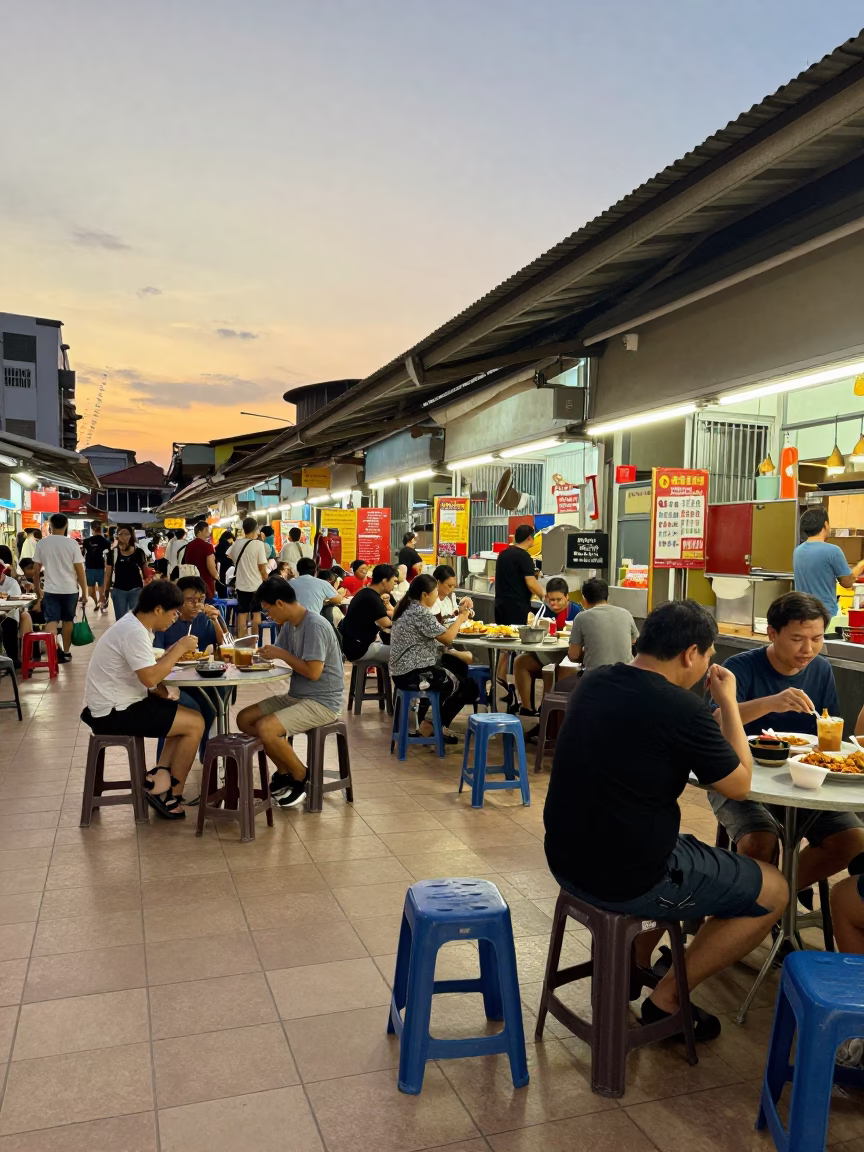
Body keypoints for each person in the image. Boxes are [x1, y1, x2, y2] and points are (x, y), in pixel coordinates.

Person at [544, 599, 788, 1041]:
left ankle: (630, 970)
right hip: (629, 877)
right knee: (775, 889)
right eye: (709, 655)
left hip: (566, 860)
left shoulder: (592, 682)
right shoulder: (682, 708)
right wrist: (728, 702)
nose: (708, 664)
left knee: (687, 844)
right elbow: (739, 785)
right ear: (691, 654)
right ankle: (668, 999)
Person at [708, 591, 864, 899]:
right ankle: (762, 906)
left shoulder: (820, 669)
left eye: (817, 638)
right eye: (797, 639)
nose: (808, 649)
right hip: (740, 777)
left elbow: (825, 728)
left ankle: (777, 900)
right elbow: (714, 719)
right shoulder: (740, 667)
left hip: (800, 779)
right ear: (772, 633)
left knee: (853, 841)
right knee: (759, 842)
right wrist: (770, 704)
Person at [81, 579, 205, 819]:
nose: (175, 618)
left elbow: (147, 674)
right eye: (173, 612)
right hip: (114, 712)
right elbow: (150, 679)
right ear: (158, 609)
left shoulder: (134, 625)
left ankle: (159, 779)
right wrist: (179, 648)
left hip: (116, 704)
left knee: (185, 717)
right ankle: (171, 796)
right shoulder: (133, 631)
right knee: (195, 724)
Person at [237, 577, 345, 809]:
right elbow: (280, 656)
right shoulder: (289, 625)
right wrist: (257, 656)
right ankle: (285, 771)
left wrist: (280, 654)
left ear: (280, 603)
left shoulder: (314, 625)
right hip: (298, 695)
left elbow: (313, 672)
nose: (268, 616)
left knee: (267, 727)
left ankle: (300, 775)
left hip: (323, 700)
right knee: (245, 719)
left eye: (267, 610)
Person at [388, 574, 478, 745]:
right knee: (468, 687)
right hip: (413, 674)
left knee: (456, 666)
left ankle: (429, 723)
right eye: (435, 591)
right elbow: (447, 638)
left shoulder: (407, 607)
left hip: (405, 669)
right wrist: (460, 618)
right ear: (425, 595)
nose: (437, 595)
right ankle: (431, 726)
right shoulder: (420, 612)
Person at [152, 575, 223, 765]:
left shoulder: (206, 619)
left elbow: (224, 646)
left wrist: (216, 621)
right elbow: (156, 654)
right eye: (190, 599)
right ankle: (164, 764)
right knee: (184, 712)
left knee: (212, 704)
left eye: (200, 599)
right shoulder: (166, 620)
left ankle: (207, 757)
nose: (195, 604)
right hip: (174, 683)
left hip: (203, 679)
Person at [512, 577, 582, 713]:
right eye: (551, 600)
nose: (554, 604)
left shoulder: (577, 612)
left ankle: (547, 712)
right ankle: (527, 708)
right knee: (520, 662)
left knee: (550, 671)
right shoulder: (543, 610)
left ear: (567, 597)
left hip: (567, 658)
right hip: (544, 654)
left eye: (559, 600)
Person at [493, 524, 545, 690]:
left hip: (500, 603)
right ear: (530, 538)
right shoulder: (524, 557)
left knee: (504, 642)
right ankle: (505, 680)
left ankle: (499, 679)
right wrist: (546, 595)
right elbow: (531, 583)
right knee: (514, 642)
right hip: (516, 605)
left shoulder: (503, 554)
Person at [793, 507, 864, 626]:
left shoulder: (798, 551)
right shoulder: (832, 551)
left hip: (801, 613)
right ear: (825, 525)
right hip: (824, 615)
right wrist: (861, 564)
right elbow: (847, 583)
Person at [31, 513, 87, 663]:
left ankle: (53, 651)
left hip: (50, 590)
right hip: (70, 590)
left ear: (50, 525)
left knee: (52, 621)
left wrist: (38, 592)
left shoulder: (42, 543)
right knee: (68, 620)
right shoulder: (72, 544)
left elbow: (36, 571)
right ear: (66, 525)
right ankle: (67, 652)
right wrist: (85, 593)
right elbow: (80, 572)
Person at [566, 576, 638, 672]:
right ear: (607, 597)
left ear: (584, 601)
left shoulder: (581, 617)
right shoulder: (626, 613)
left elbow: (573, 655)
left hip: (595, 678)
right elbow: (634, 641)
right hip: (627, 676)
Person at [340, 563, 398, 662]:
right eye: (394, 582)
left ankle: (385, 677)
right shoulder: (371, 597)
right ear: (384, 581)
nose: (395, 585)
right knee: (404, 654)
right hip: (359, 649)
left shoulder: (367, 593)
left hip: (354, 645)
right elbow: (386, 624)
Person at [227, 518, 269, 637]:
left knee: (242, 613)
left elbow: (231, 557)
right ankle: (255, 640)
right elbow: (262, 568)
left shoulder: (236, 543)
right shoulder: (258, 544)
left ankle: (242, 639)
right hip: (256, 585)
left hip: (241, 585)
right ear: (255, 529)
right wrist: (267, 580)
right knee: (256, 613)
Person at [104, 526, 147, 618]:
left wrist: (147, 590)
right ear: (117, 536)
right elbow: (108, 574)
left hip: (136, 590)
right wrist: (106, 592)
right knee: (120, 620)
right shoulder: (113, 553)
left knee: (135, 619)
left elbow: (146, 573)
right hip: (118, 590)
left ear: (131, 536)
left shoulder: (139, 552)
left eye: (127, 534)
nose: (124, 536)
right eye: (121, 534)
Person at [181, 521, 219, 600]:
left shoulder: (189, 545)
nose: (208, 531)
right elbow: (210, 566)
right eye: (205, 530)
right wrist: (216, 576)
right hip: (205, 583)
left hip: (191, 583)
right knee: (207, 608)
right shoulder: (207, 546)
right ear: (199, 532)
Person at [0, 555, 25, 666]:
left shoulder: (12, 583)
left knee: (8, 624)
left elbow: (13, 603)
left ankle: (13, 659)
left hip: (10, 615)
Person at [81, 521, 110, 612]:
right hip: (99, 567)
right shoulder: (106, 542)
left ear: (92, 529)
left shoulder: (87, 541)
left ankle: (97, 602)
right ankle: (100, 603)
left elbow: (82, 554)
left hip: (91, 567)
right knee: (101, 589)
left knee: (92, 590)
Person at [214, 530, 235, 594]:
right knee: (225, 584)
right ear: (230, 538)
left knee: (220, 583)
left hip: (219, 568)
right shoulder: (228, 546)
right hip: (227, 568)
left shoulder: (218, 546)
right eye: (232, 539)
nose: (232, 541)